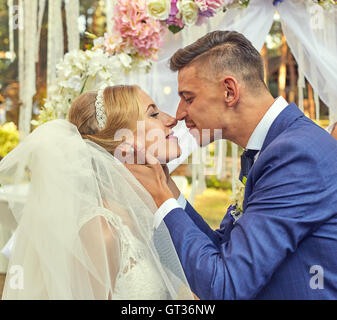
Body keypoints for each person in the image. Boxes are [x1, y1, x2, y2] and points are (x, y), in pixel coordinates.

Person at [126, 31, 337, 299]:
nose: (179, 114)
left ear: (229, 90)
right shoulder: (272, 146)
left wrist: (159, 196)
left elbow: (224, 286)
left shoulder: (296, 154)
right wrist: (167, 186)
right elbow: (222, 249)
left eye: (188, 98)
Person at [0, 85, 193, 300]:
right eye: (153, 114)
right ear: (123, 141)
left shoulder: (150, 212)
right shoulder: (103, 232)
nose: (171, 119)